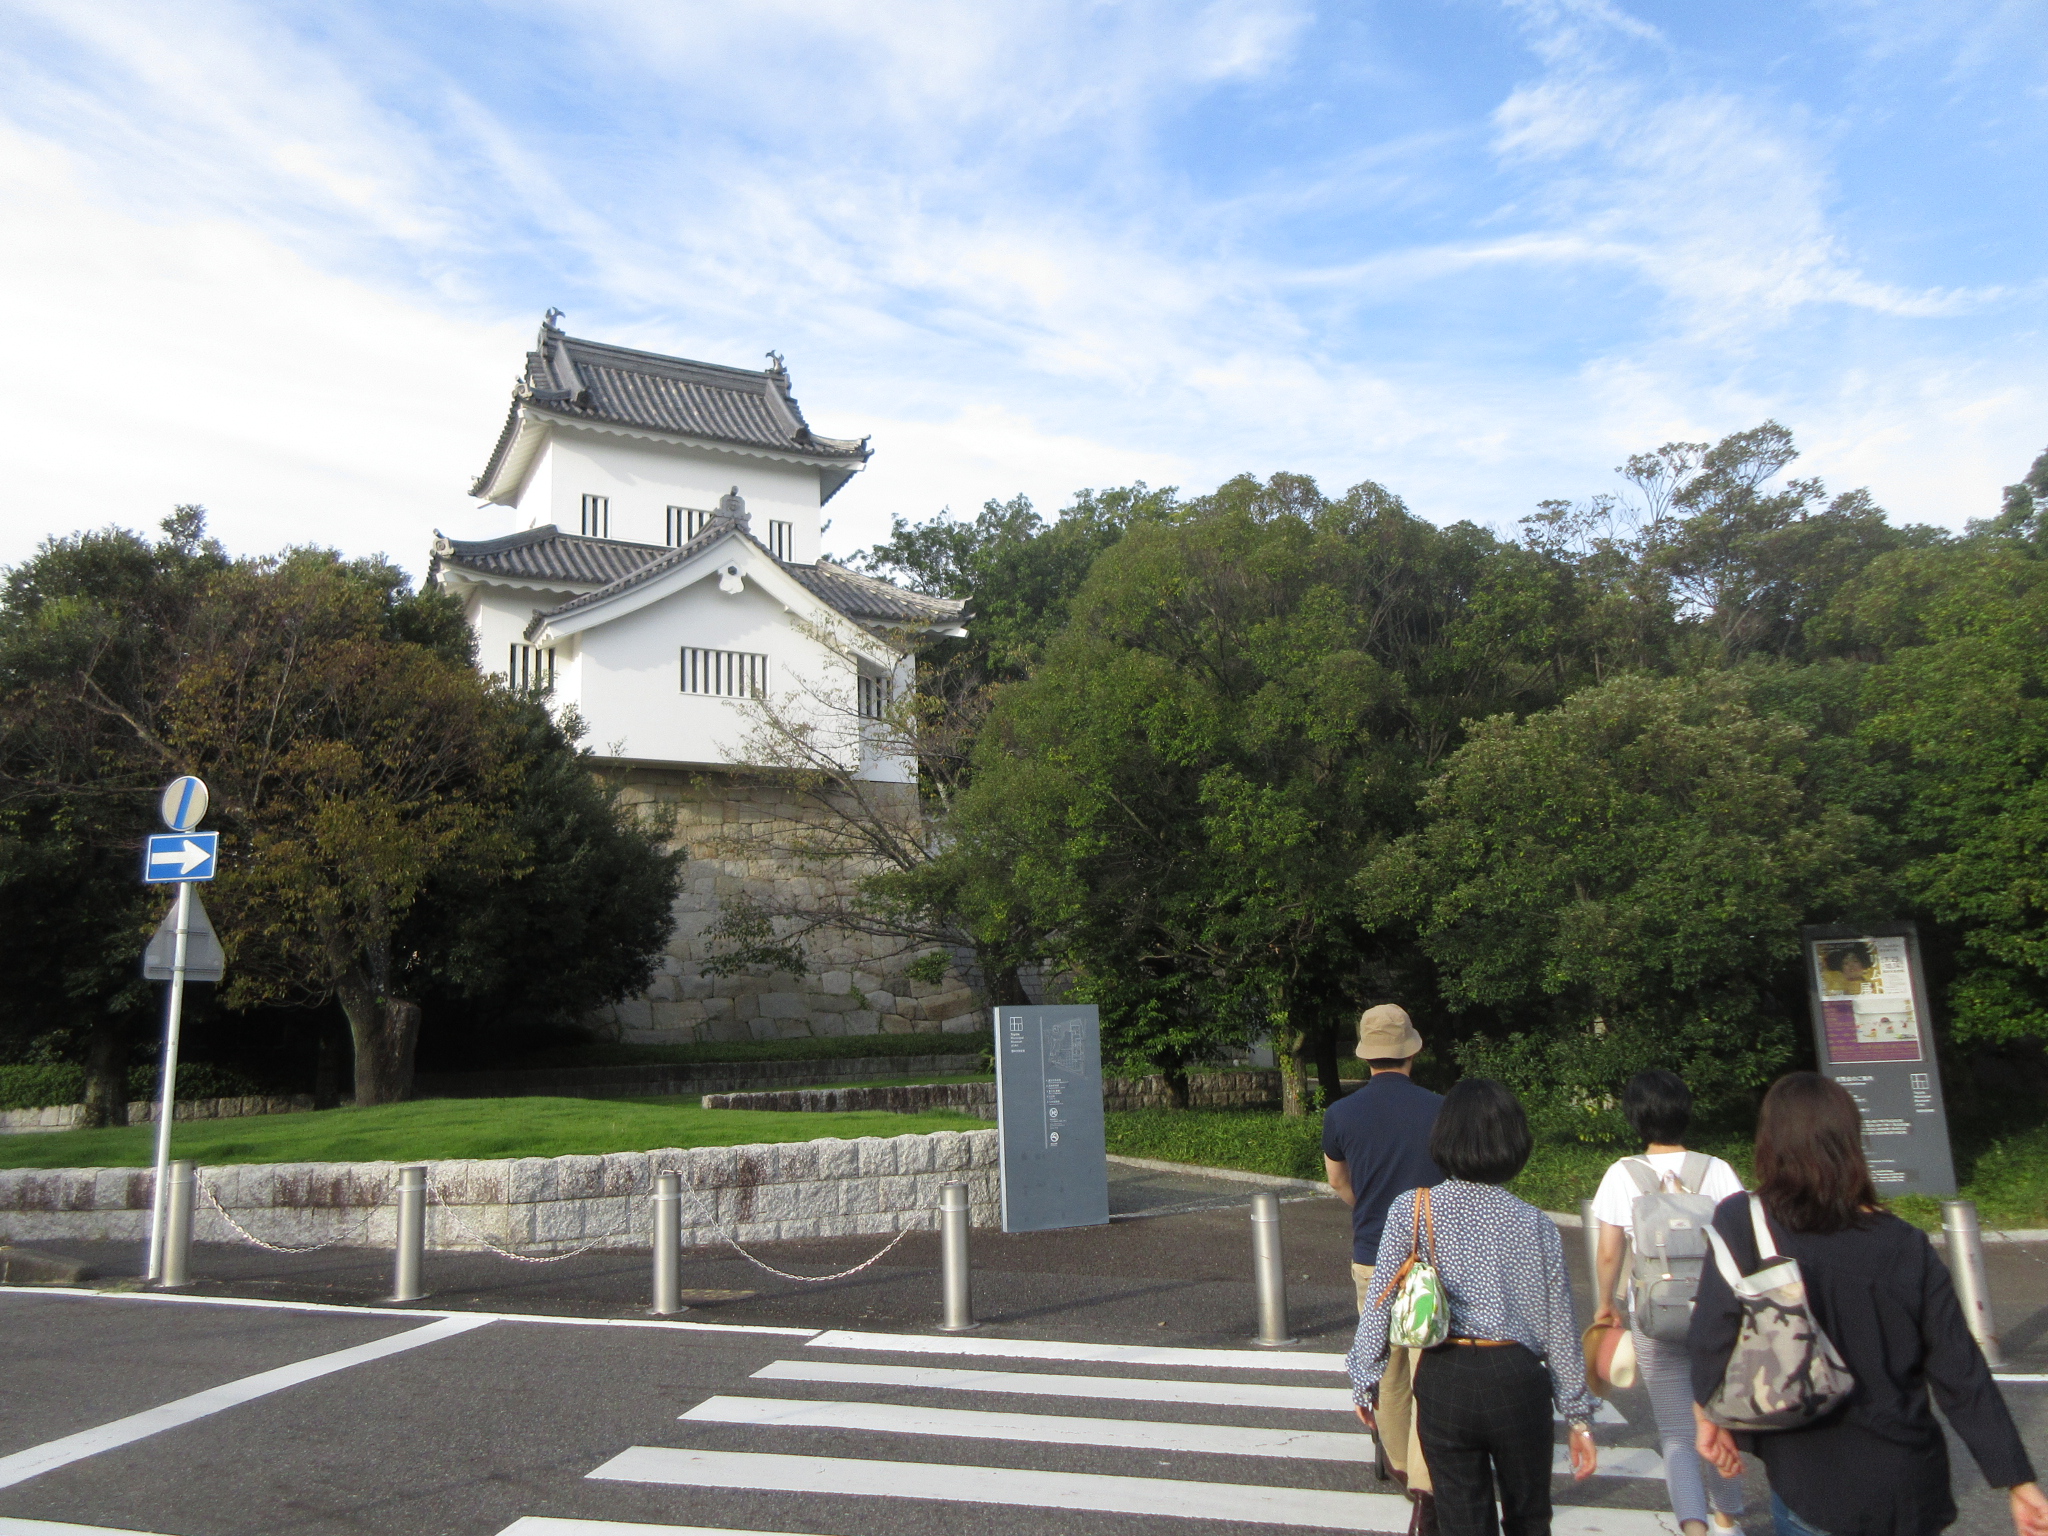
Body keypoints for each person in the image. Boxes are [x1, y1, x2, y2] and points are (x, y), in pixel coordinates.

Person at [1689, 1073, 2048, 1536]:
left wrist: (1710, 1416)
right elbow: (1961, 1372)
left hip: (1810, 1481)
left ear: (1771, 1143)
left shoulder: (1743, 1220)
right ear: (1852, 1143)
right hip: (1908, 1484)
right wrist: (2018, 1481)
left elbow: (1710, 1339)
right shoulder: (1905, 1244)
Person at [1350, 1078, 1597, 1536]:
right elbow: (1560, 1329)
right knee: (1529, 1516)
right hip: (1518, 1377)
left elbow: (1381, 1301)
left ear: (1444, 1137)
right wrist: (1578, 1416)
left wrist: (1365, 1380)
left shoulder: (1412, 1209)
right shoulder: (1537, 1224)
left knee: (1462, 1518)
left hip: (1446, 1375)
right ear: (1515, 1143)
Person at [1591, 1070, 1746, 1536]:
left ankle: (1694, 1529)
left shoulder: (1622, 1173)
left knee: (1677, 1431)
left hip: (1652, 1315)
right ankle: (1727, 1522)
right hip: (1717, 1315)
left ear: (1635, 1118)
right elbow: (1742, 1241)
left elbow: (1608, 1252)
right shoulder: (1717, 1170)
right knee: (1719, 1418)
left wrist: (1606, 1303)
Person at [1323, 1003, 1443, 1516]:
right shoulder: (1442, 1109)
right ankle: (1431, 1468)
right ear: (1411, 1052)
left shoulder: (1341, 1113)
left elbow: (1337, 1180)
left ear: (1366, 1056)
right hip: (1435, 1256)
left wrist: (1373, 1209)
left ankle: (1400, 1467)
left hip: (1373, 1253)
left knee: (1389, 1367)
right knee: (1431, 1364)